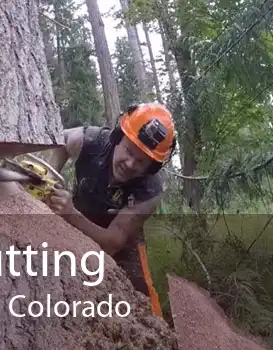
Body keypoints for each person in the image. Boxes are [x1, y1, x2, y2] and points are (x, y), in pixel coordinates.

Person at [44, 103, 177, 318]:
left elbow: (114, 243)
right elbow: (62, 140)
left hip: (121, 240)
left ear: (151, 167)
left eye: (141, 161)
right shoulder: (91, 140)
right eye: (128, 151)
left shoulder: (149, 192)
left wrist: (70, 214)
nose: (130, 163)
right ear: (117, 138)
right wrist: (50, 176)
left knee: (142, 297)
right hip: (78, 216)